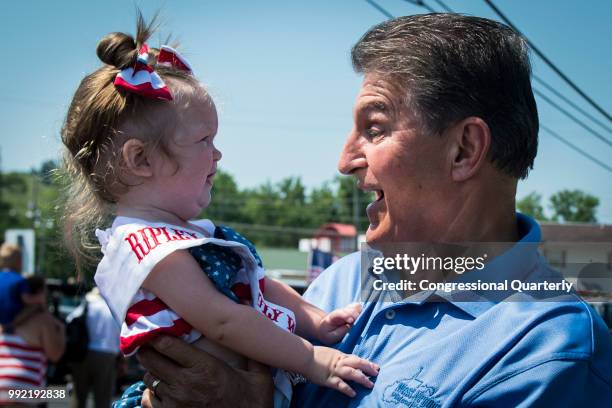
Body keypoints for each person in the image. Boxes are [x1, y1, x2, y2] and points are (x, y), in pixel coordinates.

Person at [130, 13, 612, 407]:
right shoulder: (339, 284)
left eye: (375, 128)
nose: (344, 161)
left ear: (464, 150)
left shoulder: (548, 352)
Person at [59, 14, 379, 408]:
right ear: (141, 159)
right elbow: (223, 321)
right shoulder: (144, 248)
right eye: (203, 140)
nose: (218, 154)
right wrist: (312, 357)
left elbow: (261, 284)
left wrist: (313, 317)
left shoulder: (189, 236)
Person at [0, 276, 66, 405]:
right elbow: (55, 355)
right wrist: (61, 331)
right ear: (41, 293)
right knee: (59, 394)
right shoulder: (42, 320)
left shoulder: (5, 318)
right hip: (24, 390)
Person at [69, 287, 121, 408]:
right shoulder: (113, 310)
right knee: (102, 398)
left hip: (84, 354)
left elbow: (70, 320)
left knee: (79, 396)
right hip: (107, 356)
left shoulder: (87, 306)